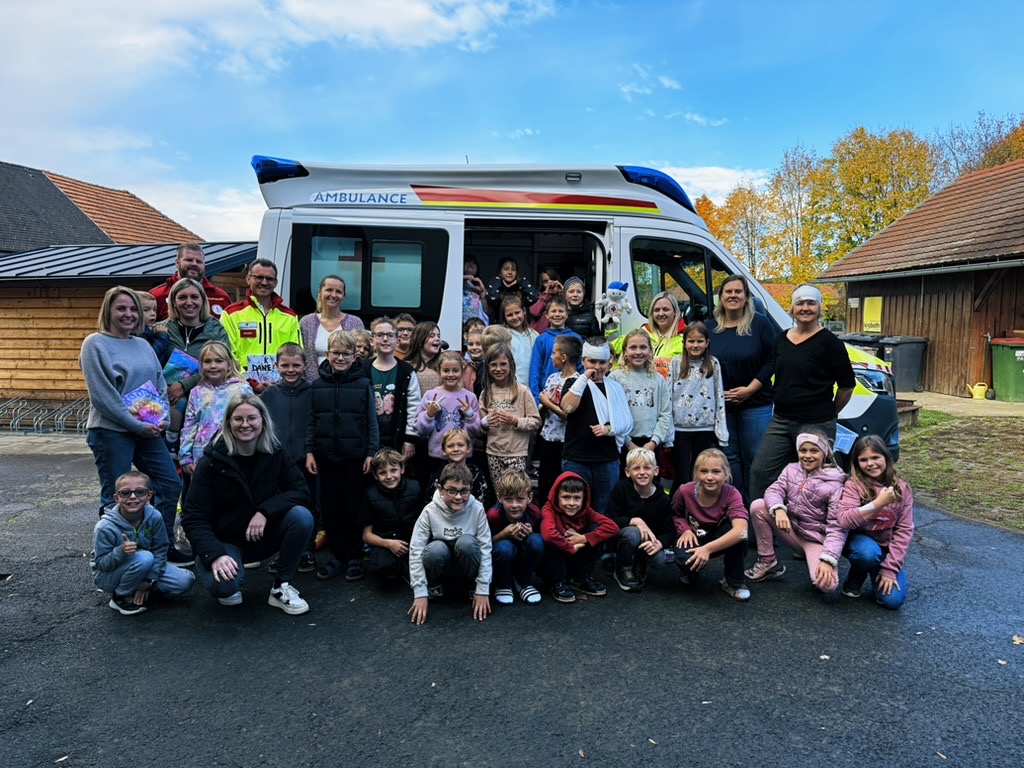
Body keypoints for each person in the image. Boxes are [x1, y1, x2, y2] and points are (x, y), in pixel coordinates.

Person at [80, 287, 186, 564]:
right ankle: (112, 556)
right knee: (117, 494)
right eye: (121, 308)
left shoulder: (142, 344)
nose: (128, 314)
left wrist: (162, 417)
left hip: (148, 429)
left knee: (169, 483)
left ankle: (161, 545)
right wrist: (137, 426)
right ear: (108, 311)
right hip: (110, 431)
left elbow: (159, 383)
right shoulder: (95, 344)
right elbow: (104, 397)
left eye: (132, 309)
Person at [183, 393, 315, 615]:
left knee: (301, 516)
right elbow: (193, 517)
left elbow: (300, 491)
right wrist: (214, 554)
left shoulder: (275, 451)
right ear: (228, 423)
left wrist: (265, 512)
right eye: (238, 419)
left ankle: (281, 586)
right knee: (226, 587)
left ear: (262, 421)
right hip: (224, 540)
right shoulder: (212, 461)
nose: (245, 425)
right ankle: (224, 570)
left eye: (251, 418)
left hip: (261, 535)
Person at [748, 285, 855, 502]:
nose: (805, 308)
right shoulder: (781, 339)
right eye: (800, 303)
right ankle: (762, 522)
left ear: (819, 308)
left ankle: (819, 523)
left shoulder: (830, 343)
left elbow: (847, 386)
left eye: (811, 303)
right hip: (781, 420)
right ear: (792, 309)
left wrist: (829, 414)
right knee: (761, 472)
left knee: (817, 482)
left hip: (816, 422)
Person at [306, 330, 379, 582]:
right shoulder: (317, 386)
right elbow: (311, 421)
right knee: (331, 507)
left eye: (346, 354)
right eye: (335, 353)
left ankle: (355, 555)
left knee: (353, 506)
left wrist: (371, 452)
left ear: (354, 356)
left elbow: (371, 422)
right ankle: (338, 555)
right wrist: (309, 451)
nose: (340, 358)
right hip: (326, 457)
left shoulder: (363, 384)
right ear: (327, 355)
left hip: (355, 457)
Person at [745, 431, 848, 592]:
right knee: (758, 506)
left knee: (827, 585)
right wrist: (779, 509)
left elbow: (837, 526)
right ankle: (767, 561)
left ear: (824, 453)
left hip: (815, 540)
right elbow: (774, 490)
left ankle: (815, 560)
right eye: (803, 450)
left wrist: (828, 559)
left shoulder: (835, 484)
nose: (807, 456)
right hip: (791, 530)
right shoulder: (791, 469)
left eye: (814, 451)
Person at [706, 275, 777, 505]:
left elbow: (772, 359)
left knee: (755, 459)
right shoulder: (710, 327)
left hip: (756, 403)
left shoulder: (759, 324)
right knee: (730, 460)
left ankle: (757, 509)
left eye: (738, 291)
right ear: (721, 297)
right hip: (722, 407)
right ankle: (736, 509)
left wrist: (749, 389)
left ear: (746, 297)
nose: (733, 296)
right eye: (728, 292)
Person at [91, 471, 195, 615]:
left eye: (140, 492)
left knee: (185, 580)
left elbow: (161, 550)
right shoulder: (105, 527)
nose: (133, 496)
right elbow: (101, 565)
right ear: (116, 498)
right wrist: (120, 552)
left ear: (149, 496)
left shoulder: (155, 517)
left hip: (143, 567)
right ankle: (120, 596)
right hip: (109, 576)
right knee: (145, 557)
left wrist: (148, 581)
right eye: (125, 493)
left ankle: (139, 588)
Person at [407, 463, 493, 625]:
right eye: (452, 490)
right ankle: (433, 585)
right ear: (440, 489)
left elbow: (485, 548)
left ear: (470, 489)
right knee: (435, 549)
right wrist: (420, 592)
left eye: (464, 491)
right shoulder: (429, 510)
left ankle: (472, 584)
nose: (458, 497)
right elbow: (416, 549)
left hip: (466, 561)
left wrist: (483, 589)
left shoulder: (477, 509)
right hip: (442, 563)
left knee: (467, 543)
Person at [836, 435, 914, 609]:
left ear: (886, 457)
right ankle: (856, 577)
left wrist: (890, 568)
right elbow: (844, 520)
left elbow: (904, 530)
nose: (870, 463)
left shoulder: (902, 489)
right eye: (863, 460)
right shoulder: (854, 485)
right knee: (868, 553)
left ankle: (877, 570)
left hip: (885, 548)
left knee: (893, 601)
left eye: (875, 457)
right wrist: (878, 504)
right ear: (857, 463)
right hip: (859, 544)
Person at [558, 337, 633, 517]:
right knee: (574, 510)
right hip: (576, 458)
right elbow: (567, 408)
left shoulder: (615, 388)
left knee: (604, 510)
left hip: (607, 459)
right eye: (592, 361)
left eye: (602, 362)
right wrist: (584, 377)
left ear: (609, 362)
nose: (597, 367)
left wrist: (609, 429)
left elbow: (625, 422)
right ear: (583, 361)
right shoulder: (573, 384)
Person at [260, 342, 318, 573]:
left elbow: (316, 424)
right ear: (276, 366)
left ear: (306, 366)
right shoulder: (269, 394)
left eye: (296, 365)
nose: (291, 370)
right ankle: (283, 551)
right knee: (280, 506)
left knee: (309, 504)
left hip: (306, 460)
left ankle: (306, 550)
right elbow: (262, 428)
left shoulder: (314, 392)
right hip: (278, 462)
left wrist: (311, 451)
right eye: (285, 365)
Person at [158, 277, 232, 452]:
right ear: (173, 301)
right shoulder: (162, 329)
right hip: (168, 396)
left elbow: (224, 364)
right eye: (182, 297)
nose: (189, 302)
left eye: (194, 297)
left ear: (202, 300)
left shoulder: (216, 330)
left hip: (206, 396)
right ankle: (171, 446)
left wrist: (184, 385)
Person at [671, 448, 750, 601]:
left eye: (716, 472)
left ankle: (733, 581)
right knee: (687, 563)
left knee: (740, 538)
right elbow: (674, 514)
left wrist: (707, 549)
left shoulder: (732, 493)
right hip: (692, 537)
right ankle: (689, 572)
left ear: (726, 473)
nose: (709, 477)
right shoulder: (684, 491)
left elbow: (741, 530)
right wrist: (685, 530)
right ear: (696, 473)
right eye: (704, 471)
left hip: (716, 538)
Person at [220, 259, 302, 393]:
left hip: (281, 387)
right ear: (248, 279)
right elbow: (227, 354)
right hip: (241, 387)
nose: (264, 282)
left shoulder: (289, 316)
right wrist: (251, 383)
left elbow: (296, 353)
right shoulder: (231, 314)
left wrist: (281, 382)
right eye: (259, 277)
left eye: (269, 279)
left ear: (275, 283)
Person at [667, 322, 729, 497]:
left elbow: (719, 395)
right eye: (691, 341)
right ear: (684, 342)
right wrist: (668, 429)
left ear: (707, 343)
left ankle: (698, 507)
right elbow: (668, 395)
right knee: (682, 475)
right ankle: (676, 508)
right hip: (680, 429)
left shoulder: (713, 364)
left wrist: (721, 430)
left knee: (699, 472)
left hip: (705, 428)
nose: (695, 345)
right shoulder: (676, 363)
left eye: (699, 341)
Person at [178, 341, 253, 482]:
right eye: (207, 361)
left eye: (219, 361)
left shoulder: (242, 389)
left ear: (229, 364)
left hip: (234, 453)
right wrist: (185, 457)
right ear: (201, 365)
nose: (213, 366)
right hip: (202, 455)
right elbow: (189, 426)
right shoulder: (196, 392)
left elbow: (251, 423)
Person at [540, 471, 618, 603]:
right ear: (556, 497)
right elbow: (548, 535)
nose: (571, 503)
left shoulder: (586, 511)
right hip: (553, 564)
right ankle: (557, 582)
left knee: (596, 530)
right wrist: (570, 547)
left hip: (574, 559)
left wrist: (584, 538)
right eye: (566, 497)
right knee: (551, 537)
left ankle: (581, 578)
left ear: (584, 498)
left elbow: (613, 527)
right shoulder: (549, 510)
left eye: (577, 498)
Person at [607, 448, 675, 593]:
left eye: (647, 468)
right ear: (627, 472)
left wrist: (660, 543)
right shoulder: (621, 488)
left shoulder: (662, 498)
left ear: (656, 471)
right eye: (636, 468)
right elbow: (609, 519)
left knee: (660, 560)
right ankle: (623, 568)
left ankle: (640, 564)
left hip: (648, 541)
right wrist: (634, 520)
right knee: (633, 533)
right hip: (623, 537)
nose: (642, 472)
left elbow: (669, 530)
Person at [609, 328, 673, 472]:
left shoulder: (658, 379)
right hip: (623, 443)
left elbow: (665, 413)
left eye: (643, 347)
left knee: (650, 482)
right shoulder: (615, 378)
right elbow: (612, 414)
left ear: (650, 350)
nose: (638, 352)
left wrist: (654, 442)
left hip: (651, 443)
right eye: (633, 347)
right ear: (625, 351)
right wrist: (628, 443)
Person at [478, 344, 541, 479]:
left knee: (515, 489)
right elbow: (481, 427)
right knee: (498, 489)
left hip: (517, 453)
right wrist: (485, 423)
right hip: (493, 452)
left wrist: (515, 421)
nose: (498, 369)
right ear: (487, 367)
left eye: (503, 364)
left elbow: (536, 421)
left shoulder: (522, 390)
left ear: (511, 365)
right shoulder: (486, 393)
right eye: (493, 365)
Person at [360, 448, 422, 583]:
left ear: (402, 469)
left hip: (414, 539)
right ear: (375, 475)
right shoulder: (370, 495)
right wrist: (388, 544)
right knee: (384, 567)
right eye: (382, 473)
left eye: (393, 470)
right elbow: (367, 535)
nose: (389, 476)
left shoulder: (415, 487)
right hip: (386, 540)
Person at [364, 317, 421, 460]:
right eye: (380, 335)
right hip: (369, 440)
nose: (385, 339)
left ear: (397, 341)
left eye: (390, 335)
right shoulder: (363, 370)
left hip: (398, 439)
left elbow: (414, 406)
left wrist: (410, 438)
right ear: (372, 341)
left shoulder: (406, 371)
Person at [413, 350, 481, 468]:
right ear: (438, 371)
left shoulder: (470, 397)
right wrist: (429, 415)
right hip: (437, 457)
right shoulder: (430, 396)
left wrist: (470, 415)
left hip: (463, 457)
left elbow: (477, 431)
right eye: (446, 370)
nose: (450, 374)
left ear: (462, 371)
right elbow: (420, 430)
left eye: (455, 370)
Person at [486, 469, 543, 606]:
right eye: (508, 499)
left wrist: (531, 533)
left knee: (537, 541)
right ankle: (503, 584)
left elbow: (542, 541)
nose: (514, 505)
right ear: (499, 498)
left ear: (529, 498)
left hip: (522, 558)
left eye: (520, 499)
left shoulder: (534, 513)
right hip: (501, 560)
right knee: (504, 547)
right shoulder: (494, 515)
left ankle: (523, 581)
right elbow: (486, 544)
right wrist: (504, 534)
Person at [536, 334, 581, 504]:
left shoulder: (577, 382)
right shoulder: (552, 378)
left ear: (563, 357)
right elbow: (544, 407)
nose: (551, 357)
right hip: (547, 438)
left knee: (562, 480)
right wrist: (543, 405)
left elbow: (570, 416)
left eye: (554, 353)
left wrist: (547, 402)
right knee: (546, 481)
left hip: (565, 441)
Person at [299, 275, 365, 382]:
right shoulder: (306, 322)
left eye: (338, 292)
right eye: (329, 290)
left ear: (343, 296)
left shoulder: (355, 323)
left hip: (346, 384)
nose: (333, 295)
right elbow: (300, 356)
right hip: (312, 385)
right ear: (320, 292)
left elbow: (361, 357)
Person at [613, 291, 686, 379]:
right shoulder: (643, 333)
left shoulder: (686, 339)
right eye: (656, 310)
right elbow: (609, 348)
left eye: (666, 309)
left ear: (675, 312)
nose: (661, 313)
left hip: (668, 386)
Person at [150, 242, 231, 321]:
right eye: (189, 260)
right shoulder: (157, 296)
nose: (194, 264)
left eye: (199, 261)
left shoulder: (221, 297)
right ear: (177, 263)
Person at [529, 297, 582, 404]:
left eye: (561, 311)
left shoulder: (576, 338)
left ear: (567, 314)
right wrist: (537, 399)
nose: (557, 314)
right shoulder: (541, 340)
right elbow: (535, 370)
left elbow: (581, 366)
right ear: (546, 315)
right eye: (553, 311)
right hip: (547, 394)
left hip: (571, 392)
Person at [424, 428, 492, 509]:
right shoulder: (437, 477)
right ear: (443, 450)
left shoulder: (477, 475)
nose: (456, 449)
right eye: (450, 446)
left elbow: (484, 504)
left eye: (460, 445)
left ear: (468, 448)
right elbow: (429, 503)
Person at [500, 295, 539, 387]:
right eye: (510, 315)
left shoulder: (534, 335)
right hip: (511, 386)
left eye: (517, 313)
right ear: (504, 316)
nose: (514, 317)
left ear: (524, 311)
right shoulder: (502, 336)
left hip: (532, 386)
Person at [405, 321, 443, 394]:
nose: (437, 339)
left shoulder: (444, 364)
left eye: (438, 336)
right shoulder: (406, 367)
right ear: (419, 340)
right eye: (431, 336)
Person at [136, 291, 172, 366]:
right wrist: (161, 336)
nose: (153, 313)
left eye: (154, 309)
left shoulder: (146, 330)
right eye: (146, 310)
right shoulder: (139, 333)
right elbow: (151, 355)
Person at [529, 266, 563, 332]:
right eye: (545, 282)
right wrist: (546, 294)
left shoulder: (563, 296)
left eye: (552, 280)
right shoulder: (538, 296)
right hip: (539, 335)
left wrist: (563, 293)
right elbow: (535, 312)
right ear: (542, 284)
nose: (550, 284)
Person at [462, 254, 489, 325]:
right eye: (467, 261)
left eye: (474, 262)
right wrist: (462, 278)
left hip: (476, 325)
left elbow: (486, 311)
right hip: (461, 323)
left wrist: (483, 294)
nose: (471, 263)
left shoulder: (479, 285)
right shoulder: (455, 283)